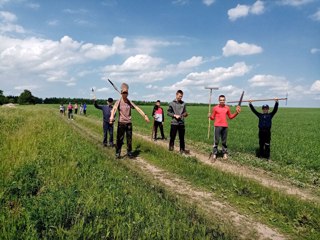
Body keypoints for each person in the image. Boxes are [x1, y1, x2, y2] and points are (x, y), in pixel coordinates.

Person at [109, 83, 149, 158]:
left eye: (126, 92)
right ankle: (118, 153)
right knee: (119, 139)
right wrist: (111, 117)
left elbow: (137, 108)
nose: (125, 94)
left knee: (129, 139)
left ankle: (129, 152)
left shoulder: (129, 102)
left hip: (129, 123)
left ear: (128, 93)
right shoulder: (119, 101)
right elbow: (114, 109)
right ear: (121, 93)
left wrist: (145, 115)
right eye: (124, 92)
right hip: (121, 123)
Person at [208, 95, 241, 160]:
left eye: (223, 100)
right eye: (221, 100)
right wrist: (209, 116)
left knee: (224, 141)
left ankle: (224, 153)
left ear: (225, 100)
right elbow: (212, 118)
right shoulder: (215, 108)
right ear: (219, 100)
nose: (222, 101)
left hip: (225, 126)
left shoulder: (227, 108)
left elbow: (230, 117)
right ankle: (214, 153)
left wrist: (236, 113)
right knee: (216, 141)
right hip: (217, 126)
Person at [167, 90, 188, 154]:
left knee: (182, 137)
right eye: (179, 96)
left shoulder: (183, 103)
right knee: (172, 136)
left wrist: (185, 114)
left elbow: (185, 112)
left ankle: (182, 149)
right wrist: (174, 115)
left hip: (181, 123)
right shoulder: (171, 103)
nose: (180, 97)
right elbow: (168, 112)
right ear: (176, 95)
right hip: (174, 123)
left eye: (181, 96)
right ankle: (171, 147)